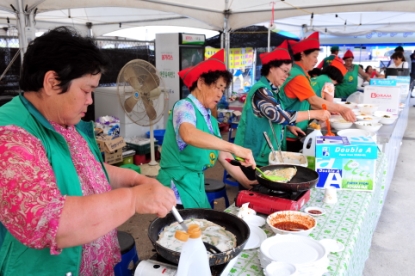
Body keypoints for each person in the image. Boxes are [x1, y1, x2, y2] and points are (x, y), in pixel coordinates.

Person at [0, 27, 177, 275]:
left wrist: (137, 180)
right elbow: (48, 221)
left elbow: (85, 169)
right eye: (86, 90)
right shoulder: (11, 136)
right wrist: (134, 199)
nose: (90, 101)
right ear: (51, 82)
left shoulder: (59, 120)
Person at [157, 49, 256, 206]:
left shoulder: (209, 119)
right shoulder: (184, 106)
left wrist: (247, 182)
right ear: (201, 83)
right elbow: (188, 134)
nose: (220, 94)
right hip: (175, 189)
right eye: (217, 87)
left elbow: (223, 156)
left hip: (195, 185)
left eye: (222, 90)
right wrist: (235, 147)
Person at [234, 41, 330, 167]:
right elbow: (279, 116)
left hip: (267, 152)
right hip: (254, 156)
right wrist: (313, 113)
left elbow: (272, 117)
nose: (286, 76)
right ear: (272, 68)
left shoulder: (273, 90)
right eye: (285, 71)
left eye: (288, 73)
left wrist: (288, 126)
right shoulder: (261, 91)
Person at [277, 32, 356, 152]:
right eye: (314, 56)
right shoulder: (297, 76)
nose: (316, 60)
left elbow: (312, 103)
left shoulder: (302, 74)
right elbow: (313, 100)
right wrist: (342, 109)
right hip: (289, 131)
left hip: (293, 127)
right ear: (303, 55)